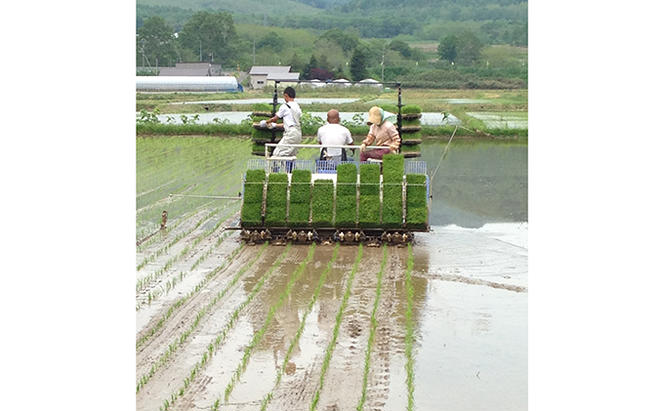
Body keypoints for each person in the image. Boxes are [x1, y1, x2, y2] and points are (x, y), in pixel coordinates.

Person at [266, 86, 302, 157]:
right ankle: (289, 168)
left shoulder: (285, 106)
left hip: (290, 134)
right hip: (298, 133)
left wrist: (266, 122)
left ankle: (274, 168)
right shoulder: (297, 106)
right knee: (291, 155)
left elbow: (275, 118)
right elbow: (289, 124)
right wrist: (275, 125)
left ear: (286, 95)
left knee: (277, 154)